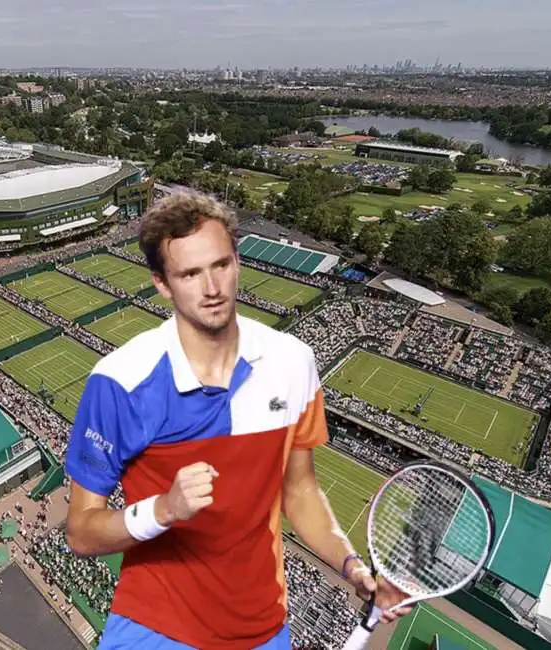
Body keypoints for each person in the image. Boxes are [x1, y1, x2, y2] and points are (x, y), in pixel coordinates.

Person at [64, 192, 411, 649]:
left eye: (221, 265)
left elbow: (300, 489)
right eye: (190, 273)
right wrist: (163, 510)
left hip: (261, 629)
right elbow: (82, 533)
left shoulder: (293, 362)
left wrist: (353, 568)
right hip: (155, 626)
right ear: (162, 283)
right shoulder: (118, 381)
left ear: (237, 262)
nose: (212, 288)